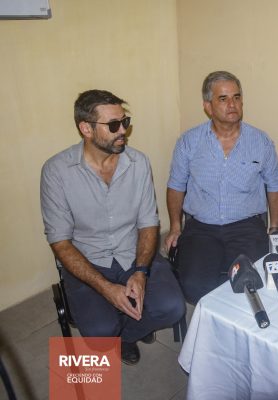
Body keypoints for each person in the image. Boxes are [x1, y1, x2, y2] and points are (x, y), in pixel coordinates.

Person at [40, 90, 185, 365]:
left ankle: (127, 335)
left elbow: (148, 222)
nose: (123, 132)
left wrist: (141, 272)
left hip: (133, 252)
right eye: (114, 125)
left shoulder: (138, 163)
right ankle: (118, 329)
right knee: (99, 334)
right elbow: (60, 242)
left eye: (125, 122)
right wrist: (106, 288)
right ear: (86, 129)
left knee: (173, 308)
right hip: (89, 260)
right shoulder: (56, 171)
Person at [165, 71, 278, 305]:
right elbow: (176, 186)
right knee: (194, 287)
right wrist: (175, 227)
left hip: (246, 227)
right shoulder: (189, 142)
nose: (232, 104)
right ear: (208, 106)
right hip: (202, 228)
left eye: (237, 97)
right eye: (223, 98)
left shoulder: (261, 142)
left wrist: (275, 227)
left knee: (251, 284)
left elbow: (275, 187)